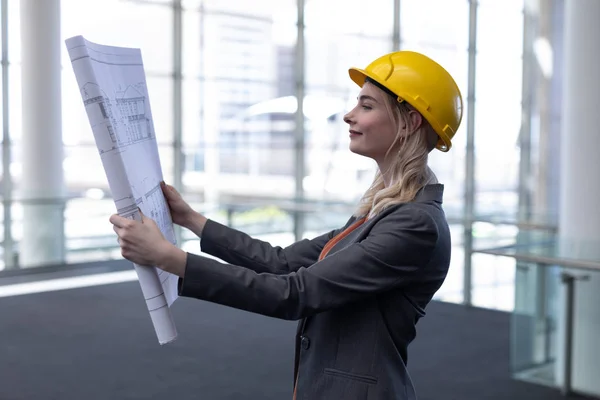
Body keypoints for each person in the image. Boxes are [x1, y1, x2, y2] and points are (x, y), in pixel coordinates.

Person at [110, 50, 463, 400]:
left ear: (411, 122)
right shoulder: (383, 208)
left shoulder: (414, 223)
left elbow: (294, 294)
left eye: (367, 106)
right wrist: (191, 220)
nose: (348, 115)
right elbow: (282, 262)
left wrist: (169, 258)